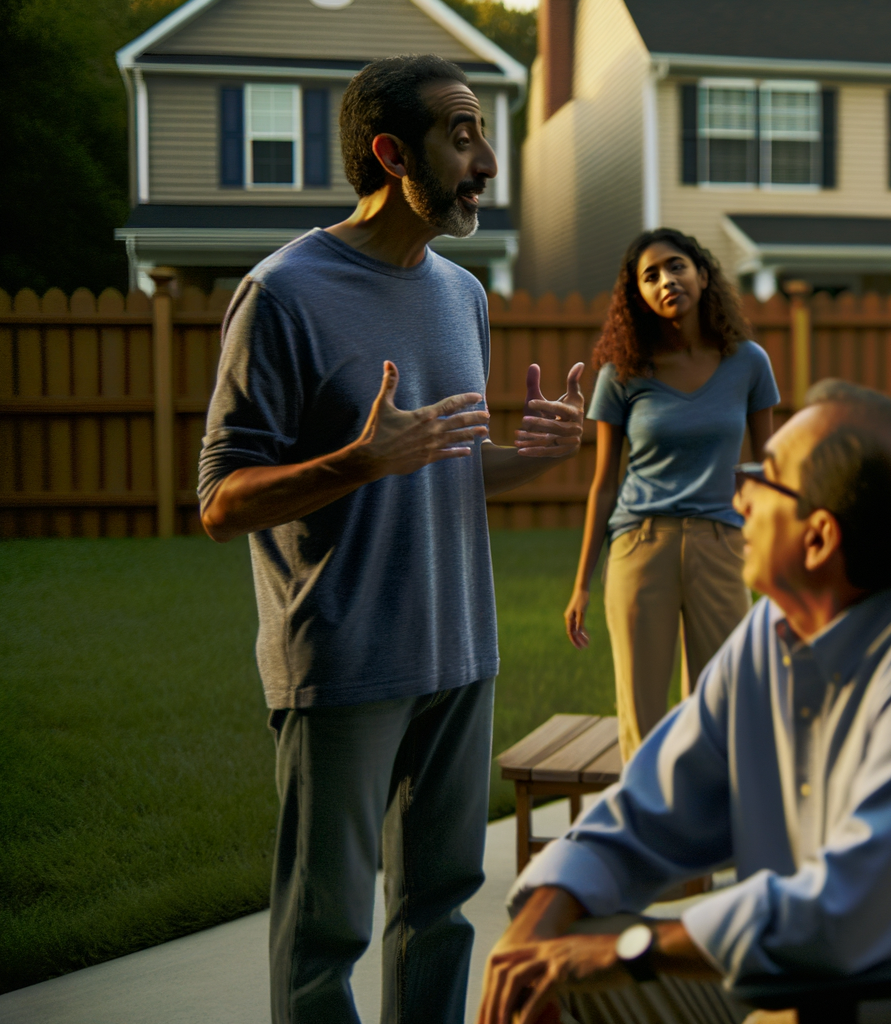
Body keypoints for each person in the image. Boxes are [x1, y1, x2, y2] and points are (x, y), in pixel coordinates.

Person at [197, 56, 585, 1024]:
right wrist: (354, 462)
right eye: (462, 135)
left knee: (442, 906)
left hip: (459, 648)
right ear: (389, 152)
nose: (486, 159)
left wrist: (532, 458)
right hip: (344, 659)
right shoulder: (283, 292)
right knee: (325, 934)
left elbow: (441, 463)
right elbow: (219, 499)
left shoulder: (462, 294)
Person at [481, 381, 891, 1024]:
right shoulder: (771, 632)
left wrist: (632, 948)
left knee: (602, 962)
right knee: (547, 969)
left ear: (818, 540)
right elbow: (648, 810)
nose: (738, 494)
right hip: (791, 989)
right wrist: (534, 926)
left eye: (763, 477)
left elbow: (835, 919)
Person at [563, 228, 778, 761]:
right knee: (642, 720)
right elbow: (605, 484)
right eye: (650, 276)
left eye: (676, 266)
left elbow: (768, 470)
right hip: (641, 547)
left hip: (722, 547)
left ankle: (716, 839)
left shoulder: (748, 363)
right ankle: (646, 837)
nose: (666, 281)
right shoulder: (622, 373)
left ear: (703, 275)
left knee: (723, 707)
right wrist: (582, 586)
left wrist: (778, 563)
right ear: (637, 295)